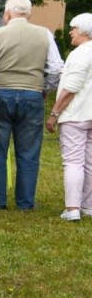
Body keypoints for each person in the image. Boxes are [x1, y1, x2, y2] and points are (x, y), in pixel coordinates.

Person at [0, 0, 64, 211]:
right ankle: (25, 202)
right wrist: (44, 87)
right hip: (32, 95)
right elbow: (55, 68)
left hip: (0, 94)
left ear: (6, 14)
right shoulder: (44, 34)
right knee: (29, 152)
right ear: (30, 14)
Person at [48, 12, 92, 220]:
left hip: (76, 114)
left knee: (73, 162)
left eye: (73, 28)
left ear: (83, 31)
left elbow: (71, 88)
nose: (71, 32)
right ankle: (88, 206)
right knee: (90, 162)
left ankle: (73, 208)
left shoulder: (80, 54)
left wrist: (54, 113)